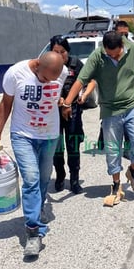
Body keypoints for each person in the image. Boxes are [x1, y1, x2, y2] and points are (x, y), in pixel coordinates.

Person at [0, 51, 67, 258]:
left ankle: (37, 208)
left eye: (52, 80)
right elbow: (5, 104)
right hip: (23, 134)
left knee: (42, 178)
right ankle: (34, 231)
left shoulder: (62, 73)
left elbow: (66, 92)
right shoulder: (16, 74)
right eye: (45, 78)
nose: (48, 82)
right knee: (31, 179)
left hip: (49, 135)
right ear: (38, 65)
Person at [62, 31, 134, 207]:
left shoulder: (133, 48)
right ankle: (116, 185)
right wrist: (67, 102)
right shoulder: (98, 55)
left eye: (116, 54)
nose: (113, 57)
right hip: (110, 111)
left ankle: (133, 171)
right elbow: (81, 80)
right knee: (112, 150)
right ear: (104, 48)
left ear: (122, 46)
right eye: (109, 54)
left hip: (131, 106)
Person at [49, 35, 96, 194]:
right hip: (53, 113)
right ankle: (60, 175)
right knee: (56, 147)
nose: (59, 55)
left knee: (73, 145)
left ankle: (74, 179)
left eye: (62, 51)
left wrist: (84, 95)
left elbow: (90, 80)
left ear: (67, 51)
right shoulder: (48, 65)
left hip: (73, 112)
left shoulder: (75, 64)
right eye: (55, 51)